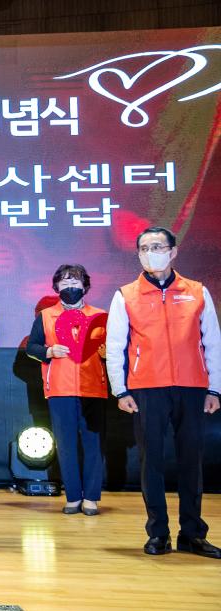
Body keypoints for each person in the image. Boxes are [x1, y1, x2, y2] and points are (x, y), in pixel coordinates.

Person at [106, 227, 221, 558]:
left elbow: (212, 342)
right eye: (144, 248)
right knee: (151, 461)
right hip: (146, 388)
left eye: (157, 246)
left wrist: (214, 388)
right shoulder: (125, 295)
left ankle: (192, 534)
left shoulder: (197, 291)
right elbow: (115, 346)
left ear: (173, 252)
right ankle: (158, 533)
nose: (150, 253)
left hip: (192, 386)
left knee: (191, 461)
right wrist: (120, 390)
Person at [26, 264, 107, 516]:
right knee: (66, 444)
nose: (70, 286)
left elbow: (112, 349)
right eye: (64, 282)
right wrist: (49, 351)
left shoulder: (100, 315)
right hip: (60, 389)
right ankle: (73, 496)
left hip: (93, 389)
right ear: (56, 286)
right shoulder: (46, 316)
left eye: (75, 281)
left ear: (85, 286)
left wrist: (106, 352)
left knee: (93, 444)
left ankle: (91, 497)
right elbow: (32, 347)